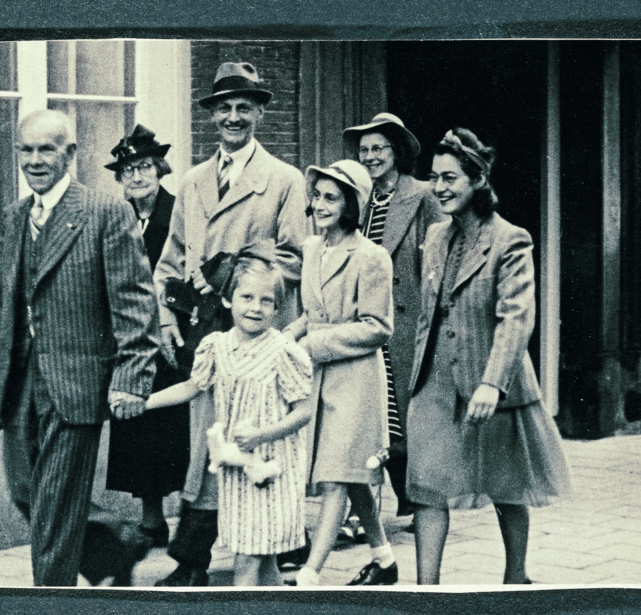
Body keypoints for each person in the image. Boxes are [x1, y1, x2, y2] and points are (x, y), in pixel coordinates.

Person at [0, 109, 160, 587]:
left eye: (47, 149)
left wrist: (131, 378)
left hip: (76, 382)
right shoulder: (16, 216)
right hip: (21, 383)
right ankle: (114, 547)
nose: (35, 160)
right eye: (26, 149)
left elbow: (135, 303)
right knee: (25, 490)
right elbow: (7, 305)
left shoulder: (104, 211)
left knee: (55, 509)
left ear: (70, 154)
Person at [151, 61, 310, 587]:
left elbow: (294, 258)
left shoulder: (284, 181)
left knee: (253, 443)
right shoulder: (194, 181)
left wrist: (236, 269)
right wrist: (165, 314)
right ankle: (193, 560)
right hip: (205, 333)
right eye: (225, 108)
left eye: (244, 107)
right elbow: (172, 259)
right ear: (212, 116)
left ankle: (269, 550)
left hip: (257, 333)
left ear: (260, 112)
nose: (234, 117)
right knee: (206, 443)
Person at [407, 128, 570, 585]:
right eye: (434, 177)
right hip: (436, 380)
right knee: (427, 486)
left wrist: (491, 382)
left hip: (489, 383)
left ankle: (515, 577)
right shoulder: (436, 237)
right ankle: (426, 591)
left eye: (450, 178)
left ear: (477, 179)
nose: (439, 187)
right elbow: (427, 315)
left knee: (507, 485)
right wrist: (415, 380)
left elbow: (516, 318)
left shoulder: (510, 239)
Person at [146, 247, 314, 586]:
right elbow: (192, 387)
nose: (255, 307)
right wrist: (145, 402)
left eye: (266, 301)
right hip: (236, 477)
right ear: (228, 300)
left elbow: (304, 412)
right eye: (247, 297)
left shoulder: (284, 353)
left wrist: (262, 435)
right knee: (265, 567)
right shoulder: (216, 347)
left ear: (278, 308)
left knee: (248, 565)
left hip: (271, 473)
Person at [283, 160, 399, 587]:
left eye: (332, 198)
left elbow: (377, 327)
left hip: (355, 381)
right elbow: (309, 315)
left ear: (352, 204)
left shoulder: (371, 257)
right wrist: (284, 339)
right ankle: (385, 560)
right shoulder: (312, 248)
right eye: (317, 196)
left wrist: (312, 344)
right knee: (350, 474)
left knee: (336, 473)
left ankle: (311, 573)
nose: (321, 204)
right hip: (316, 380)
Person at [341, 112, 445, 527]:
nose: (370, 157)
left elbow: (440, 261)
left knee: (406, 415)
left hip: (408, 325)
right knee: (374, 415)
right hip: (368, 321)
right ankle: (368, 507)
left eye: (378, 149)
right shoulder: (360, 200)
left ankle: (421, 501)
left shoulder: (423, 196)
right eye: (363, 151)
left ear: (397, 152)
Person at [102, 124, 189, 548]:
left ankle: (192, 521)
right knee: (138, 427)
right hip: (130, 343)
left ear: (160, 170)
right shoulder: (117, 218)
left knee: (177, 431)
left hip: (172, 337)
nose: (137, 177)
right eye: (128, 171)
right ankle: (151, 520)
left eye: (144, 168)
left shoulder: (178, 212)